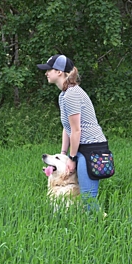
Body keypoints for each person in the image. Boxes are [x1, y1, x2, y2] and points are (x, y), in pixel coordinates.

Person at [37, 54, 107, 212]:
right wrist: (63, 154)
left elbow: (76, 130)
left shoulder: (72, 94)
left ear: (59, 72)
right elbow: (67, 126)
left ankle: (100, 227)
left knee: (88, 197)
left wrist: (72, 158)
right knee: (85, 198)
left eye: (49, 70)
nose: (46, 73)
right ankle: (89, 227)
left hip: (92, 148)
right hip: (82, 147)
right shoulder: (63, 94)